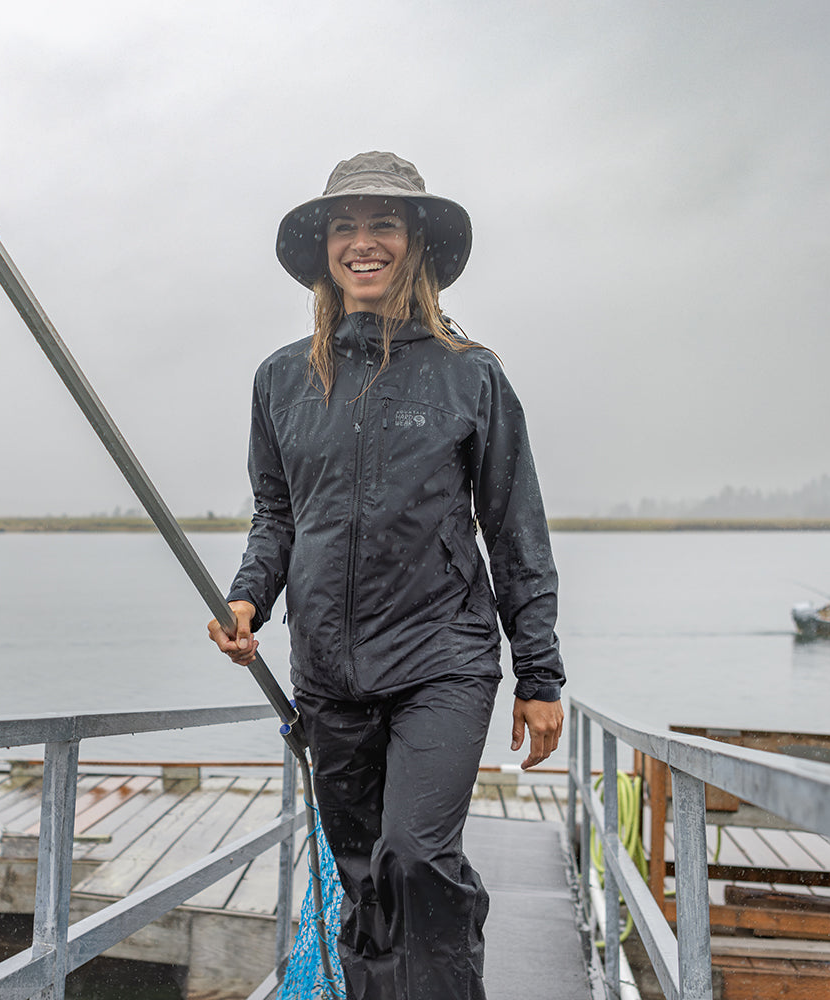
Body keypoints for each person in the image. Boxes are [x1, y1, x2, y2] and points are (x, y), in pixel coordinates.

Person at [208, 151, 565, 1000]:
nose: (362, 243)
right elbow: (278, 515)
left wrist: (539, 673)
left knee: (416, 855)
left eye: (383, 225)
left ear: (416, 243)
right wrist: (249, 594)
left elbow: (514, 528)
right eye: (345, 226)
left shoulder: (469, 373)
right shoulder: (281, 379)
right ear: (325, 248)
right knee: (366, 878)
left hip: (444, 657)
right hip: (328, 671)